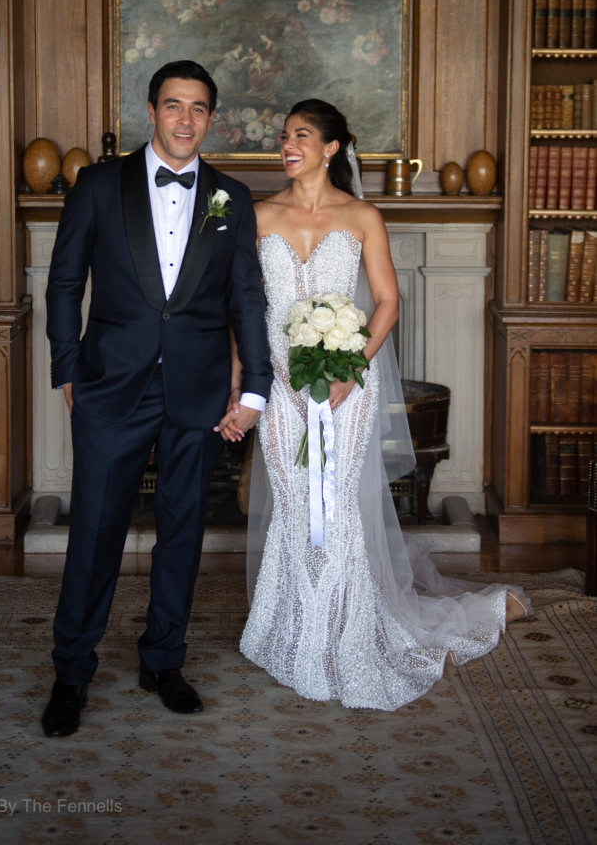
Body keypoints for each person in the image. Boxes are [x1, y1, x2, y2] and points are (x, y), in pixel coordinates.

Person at [218, 98, 531, 711]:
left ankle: (346, 632)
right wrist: (240, 384)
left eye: (301, 135)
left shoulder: (362, 216)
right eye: (284, 136)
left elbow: (386, 302)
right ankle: (291, 630)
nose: (288, 144)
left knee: (333, 506)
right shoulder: (257, 216)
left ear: (332, 148)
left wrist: (351, 367)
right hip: (280, 384)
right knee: (291, 497)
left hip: (344, 386)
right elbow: (243, 311)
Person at [42, 59, 273, 736]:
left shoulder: (232, 196)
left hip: (197, 393)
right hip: (109, 386)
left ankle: (163, 661)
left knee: (181, 533)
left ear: (211, 118)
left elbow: (246, 299)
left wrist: (254, 387)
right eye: (173, 105)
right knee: (93, 532)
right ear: (150, 111)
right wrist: (66, 369)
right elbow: (63, 284)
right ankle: (71, 672)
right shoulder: (96, 186)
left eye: (198, 108)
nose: (184, 119)